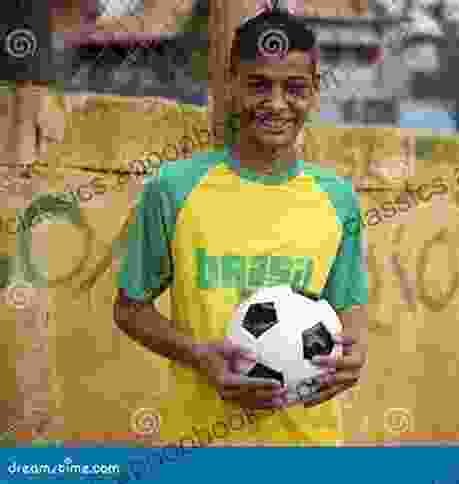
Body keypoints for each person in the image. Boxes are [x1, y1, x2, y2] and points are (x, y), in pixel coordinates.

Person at [113, 7, 368, 446]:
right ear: (229, 85)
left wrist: (353, 358)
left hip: (309, 448)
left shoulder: (338, 198)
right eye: (258, 85)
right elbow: (129, 309)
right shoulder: (174, 188)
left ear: (315, 92)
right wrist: (199, 357)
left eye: (294, 88)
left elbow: (349, 315)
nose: (276, 103)